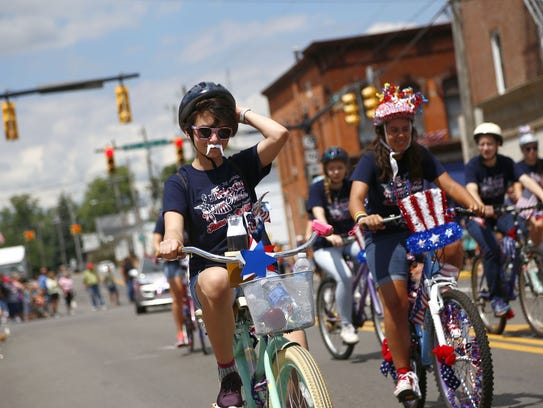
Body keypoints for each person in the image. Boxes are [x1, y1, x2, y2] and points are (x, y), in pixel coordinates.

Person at [158, 81, 290, 408]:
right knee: (216, 281)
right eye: (205, 132)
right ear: (189, 133)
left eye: (223, 132)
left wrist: (241, 113)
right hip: (212, 269)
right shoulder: (181, 182)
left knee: (293, 330)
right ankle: (228, 372)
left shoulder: (241, 166)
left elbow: (280, 135)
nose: (215, 139)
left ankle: (294, 387)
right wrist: (171, 240)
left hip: (256, 263)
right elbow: (173, 225)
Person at [348, 83, 483, 403]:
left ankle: (442, 302)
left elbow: (448, 183)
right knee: (395, 304)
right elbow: (356, 197)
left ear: (412, 129)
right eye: (393, 130)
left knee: (453, 243)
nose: (399, 135)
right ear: (382, 131)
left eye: (405, 129)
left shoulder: (420, 154)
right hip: (384, 234)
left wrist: (474, 202)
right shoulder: (371, 159)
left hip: (419, 227)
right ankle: (405, 370)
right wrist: (363, 216)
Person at [465, 122, 527, 317]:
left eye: (489, 144)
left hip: (498, 212)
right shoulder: (473, 165)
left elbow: (524, 179)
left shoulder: (506, 163)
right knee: (491, 250)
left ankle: (508, 274)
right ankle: (496, 298)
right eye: (482, 144)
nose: (485, 148)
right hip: (477, 216)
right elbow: (471, 189)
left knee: (520, 229)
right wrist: (480, 207)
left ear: (498, 144)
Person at [306, 146, 360, 345]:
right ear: (326, 170)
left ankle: (363, 298)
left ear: (346, 168)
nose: (336, 172)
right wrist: (328, 233)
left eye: (339, 167)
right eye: (332, 168)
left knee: (370, 258)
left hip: (351, 240)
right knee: (344, 276)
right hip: (326, 246)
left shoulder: (353, 185)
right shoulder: (318, 188)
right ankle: (346, 324)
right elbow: (318, 214)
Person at [153, 214, 188, 347]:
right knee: (177, 295)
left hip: (191, 255)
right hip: (172, 259)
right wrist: (159, 250)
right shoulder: (165, 217)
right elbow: (156, 239)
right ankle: (180, 332)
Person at [514, 125, 543, 248]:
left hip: (541, 204)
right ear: (522, 150)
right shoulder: (518, 167)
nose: (532, 151)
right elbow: (517, 191)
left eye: (534, 148)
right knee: (537, 226)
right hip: (527, 207)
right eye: (528, 148)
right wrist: (528, 213)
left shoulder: (542, 164)